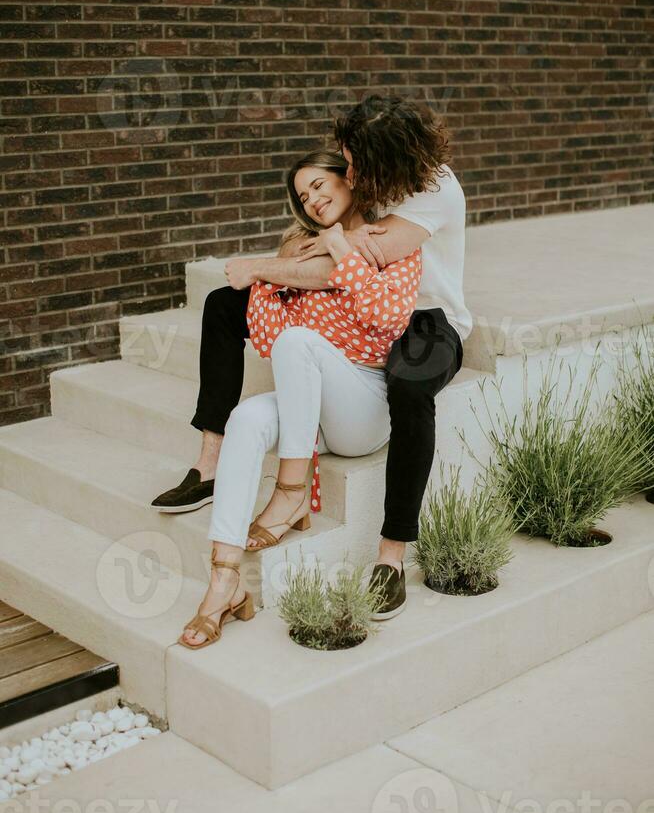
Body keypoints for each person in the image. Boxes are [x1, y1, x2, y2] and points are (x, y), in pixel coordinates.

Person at [153, 95, 472, 621]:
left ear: (382, 156)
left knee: (410, 386)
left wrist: (270, 263)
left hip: (426, 319)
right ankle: (208, 463)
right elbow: (332, 248)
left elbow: (349, 263)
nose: (346, 168)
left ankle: (390, 556)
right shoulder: (368, 182)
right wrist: (302, 254)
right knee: (223, 305)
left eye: (351, 160)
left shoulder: (435, 189)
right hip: (351, 311)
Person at [172, 150, 422, 648]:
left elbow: (385, 317)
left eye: (319, 184)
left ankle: (290, 494)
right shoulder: (296, 250)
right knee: (245, 417)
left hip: (363, 402)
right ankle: (224, 581)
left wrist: (338, 252)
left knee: (299, 341)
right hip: (310, 399)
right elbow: (266, 332)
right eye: (303, 196)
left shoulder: (390, 239)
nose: (312, 199)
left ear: (349, 179)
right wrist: (297, 265)